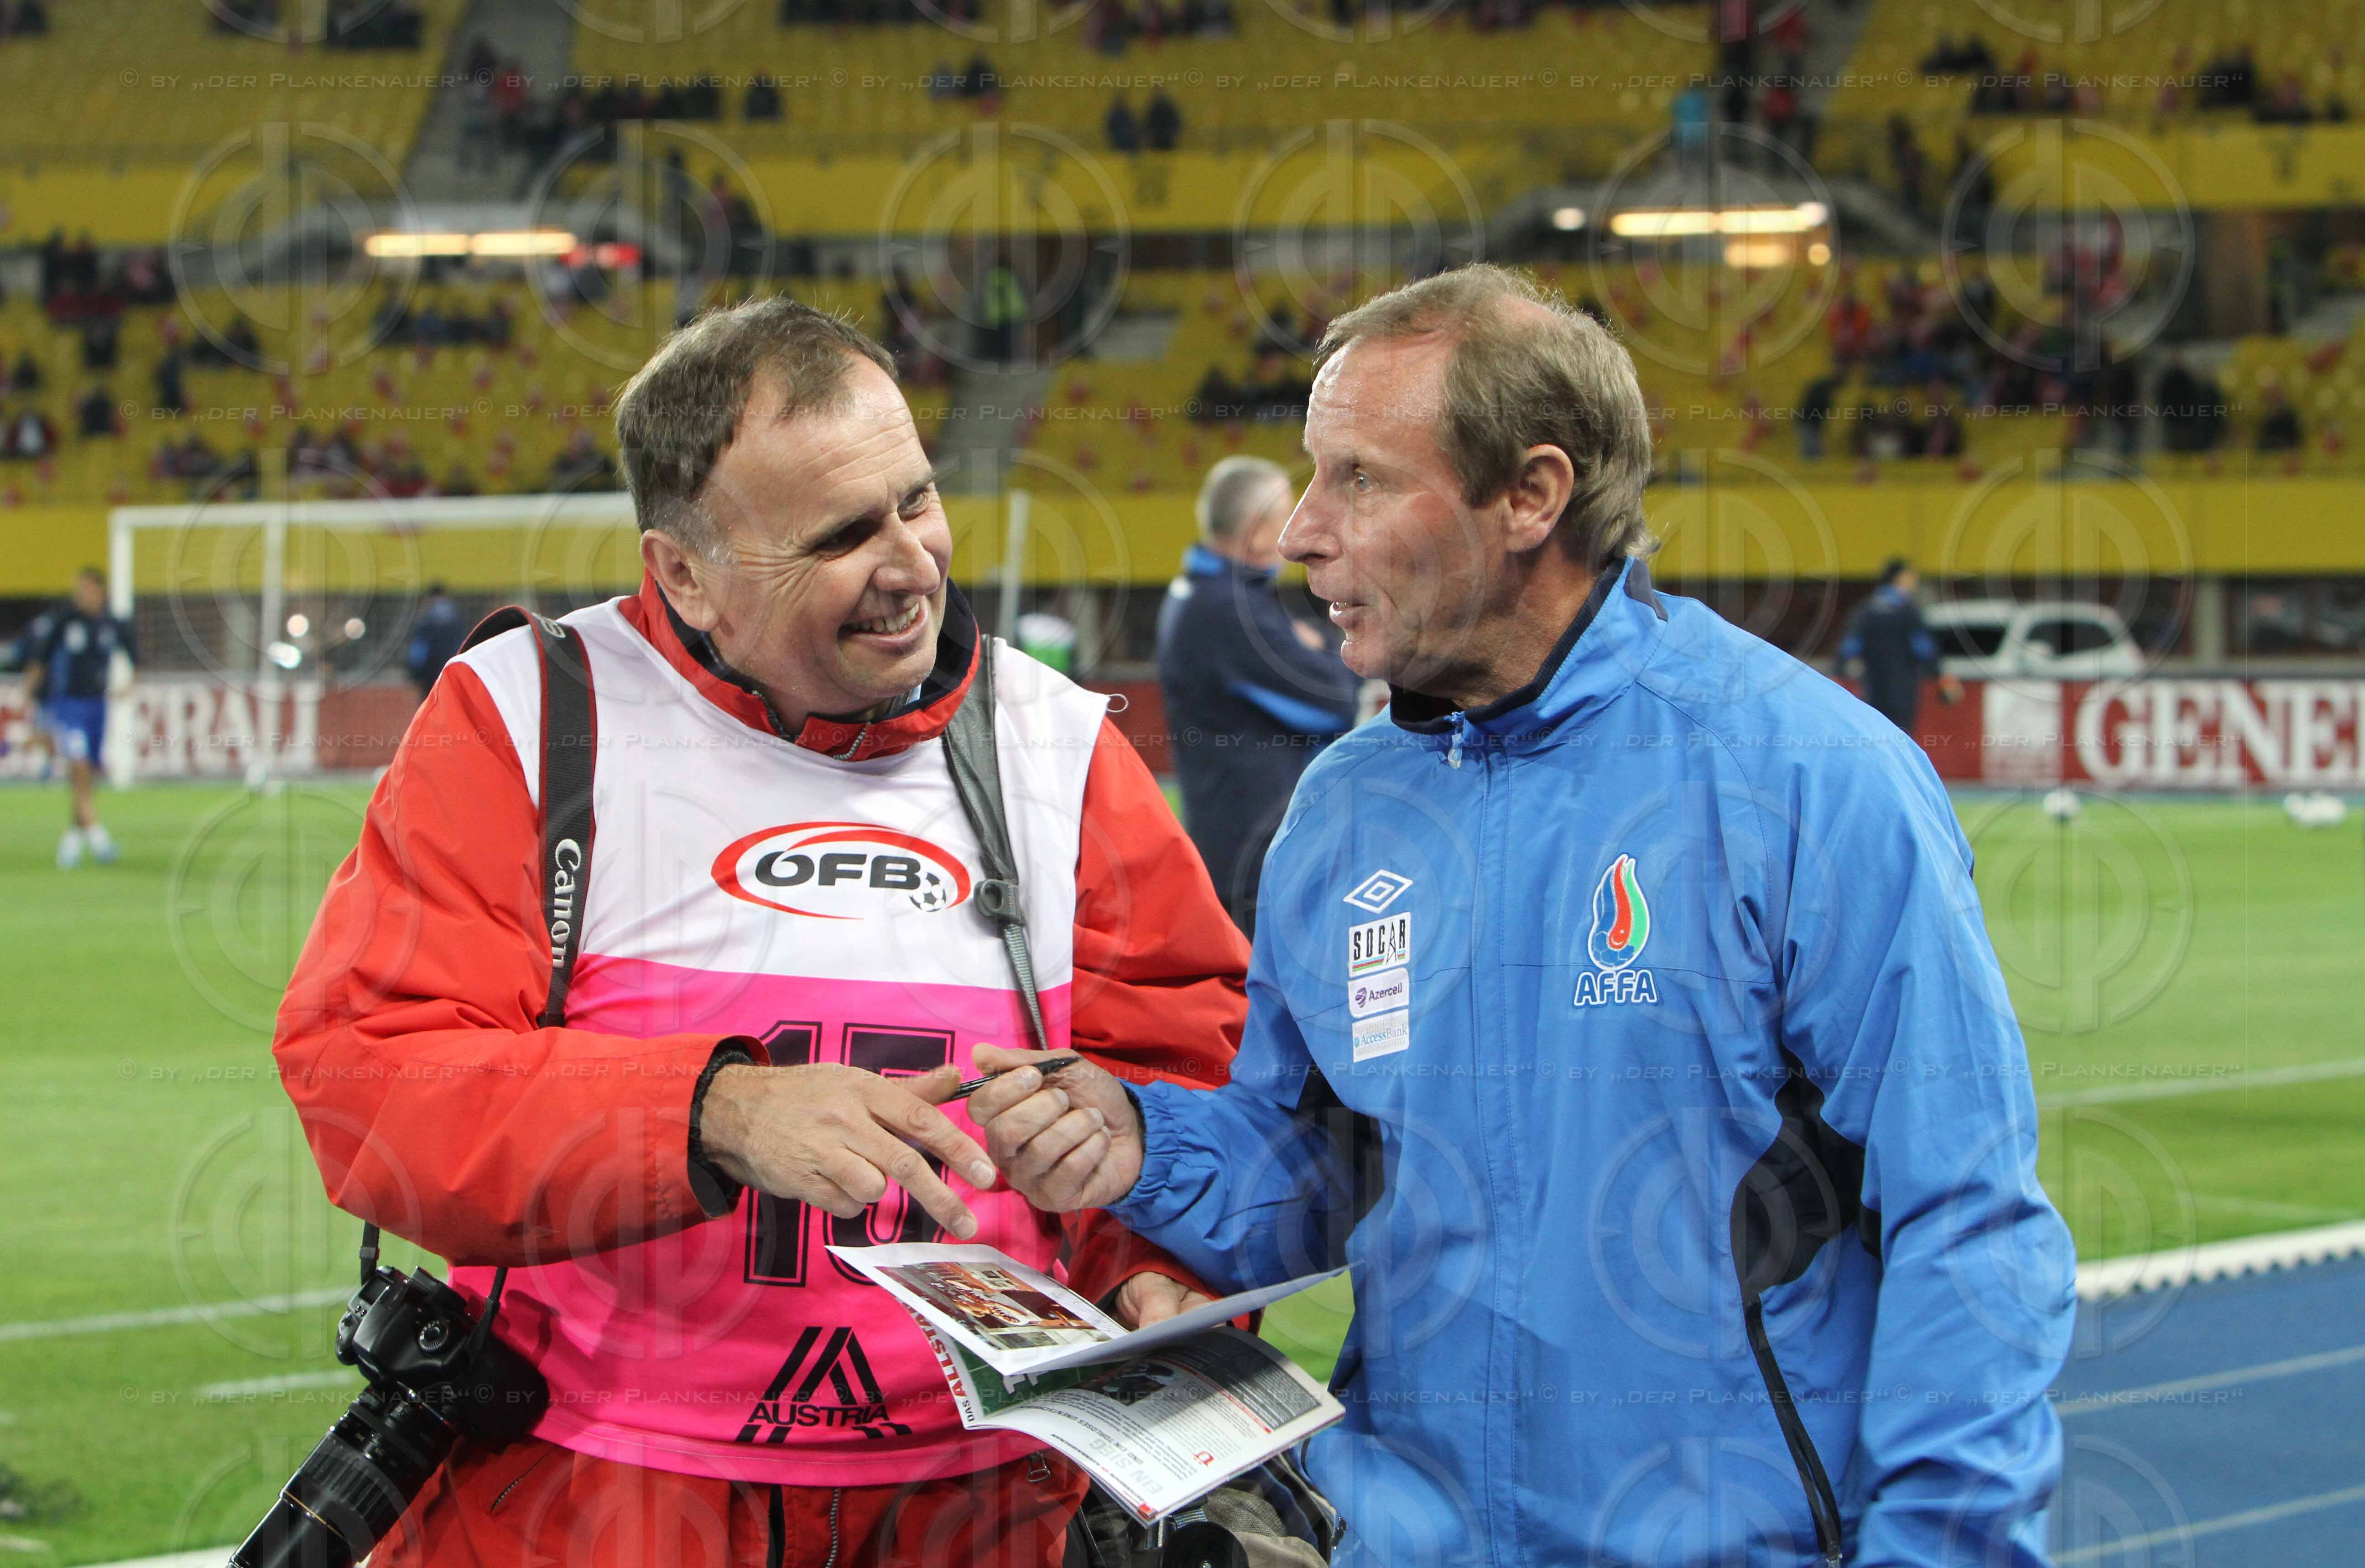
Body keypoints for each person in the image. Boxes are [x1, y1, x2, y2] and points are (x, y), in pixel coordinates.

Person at [969, 265, 2074, 1568]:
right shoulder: (1343, 812)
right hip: (1400, 1540)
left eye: (1361, 479)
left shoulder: (1804, 777)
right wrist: (1143, 1142)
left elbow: (1969, 1216)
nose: (1302, 531)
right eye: (1309, 478)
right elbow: (1315, 1172)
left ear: (1532, 496)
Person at [272, 298, 1248, 1566]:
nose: (910, 562)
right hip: (599, 1500)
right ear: (684, 571)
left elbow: (1192, 1080)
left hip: (986, 1511)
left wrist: (1154, 1263)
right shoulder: (525, 719)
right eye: (840, 535)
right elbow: (374, 1082)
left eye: (915, 499)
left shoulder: (1057, 746)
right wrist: (714, 1112)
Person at [1158, 455, 1361, 932]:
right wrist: (1331, 648)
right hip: (1255, 856)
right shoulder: (1227, 608)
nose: (1295, 533)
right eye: (1284, 517)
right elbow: (1335, 700)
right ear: (1256, 527)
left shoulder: (1201, 593)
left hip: (1234, 843)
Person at [19, 566, 134, 868]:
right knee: (79, 766)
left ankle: (70, 841)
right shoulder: (64, 620)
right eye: (78, 590)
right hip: (69, 705)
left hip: (99, 706)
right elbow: (39, 659)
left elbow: (136, 660)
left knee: (86, 776)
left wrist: (128, 687)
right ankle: (97, 836)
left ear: (101, 592)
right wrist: (27, 697)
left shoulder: (114, 624)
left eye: (86, 590)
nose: (80, 596)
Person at [1835, 557, 1961, 735]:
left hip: (1873, 690)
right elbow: (1924, 649)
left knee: (1875, 738)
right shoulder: (1908, 612)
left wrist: (1839, 672)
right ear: (1900, 578)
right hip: (1903, 692)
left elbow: (1849, 648)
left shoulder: (1865, 611)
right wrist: (1941, 677)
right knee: (1901, 739)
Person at [403, 582, 468, 696]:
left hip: (431, 672)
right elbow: (462, 645)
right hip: (451, 670)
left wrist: (415, 671)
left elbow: (419, 650)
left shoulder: (426, 622)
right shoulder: (456, 621)